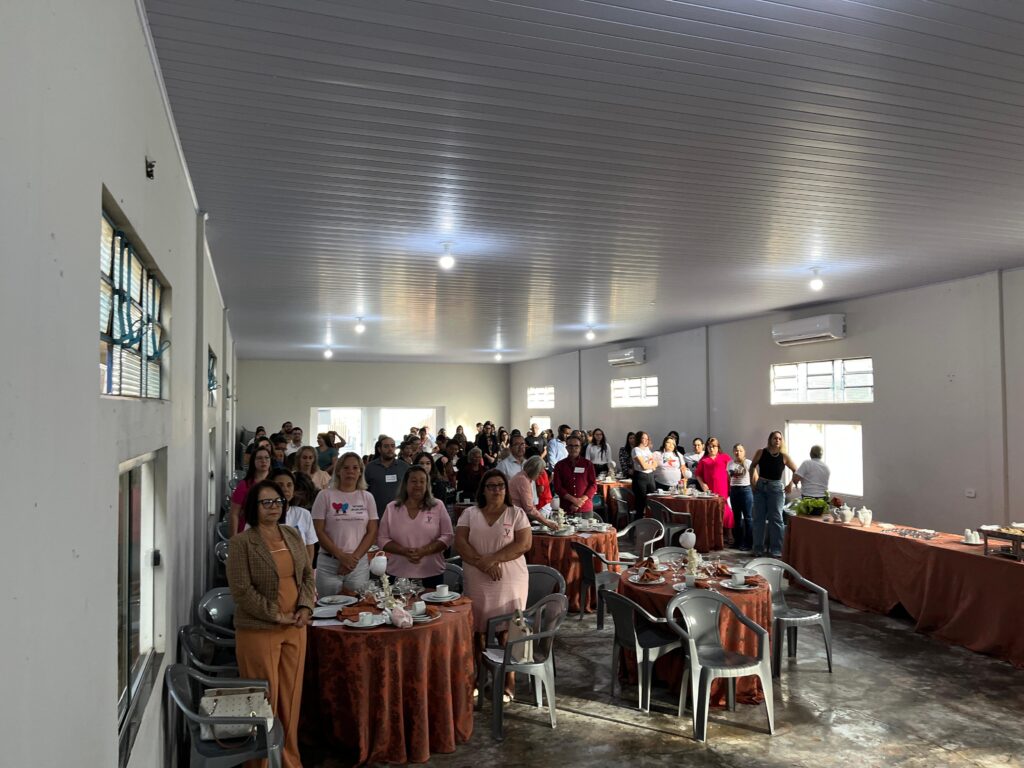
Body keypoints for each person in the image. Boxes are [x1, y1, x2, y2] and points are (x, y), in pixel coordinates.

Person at [227, 479, 315, 768]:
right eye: (266, 502)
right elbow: (241, 591)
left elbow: (306, 575)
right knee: (266, 700)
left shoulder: (291, 534)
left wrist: (305, 606)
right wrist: (276, 615)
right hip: (259, 629)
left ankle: (288, 760)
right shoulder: (241, 543)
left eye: (277, 502)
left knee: (290, 698)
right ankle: (261, 763)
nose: (273, 507)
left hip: (296, 627)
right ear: (253, 507)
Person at [455, 469, 532, 703]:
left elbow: (524, 544)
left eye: (500, 485)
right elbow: (460, 543)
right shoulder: (470, 513)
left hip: (510, 580)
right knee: (478, 630)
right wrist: (484, 563)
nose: (496, 490)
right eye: (491, 486)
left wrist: (492, 559)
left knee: (508, 630)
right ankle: (480, 678)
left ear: (506, 489)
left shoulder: (516, 513)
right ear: (483, 490)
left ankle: (509, 680)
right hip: (477, 579)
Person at [311, 452, 379, 595]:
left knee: (359, 606)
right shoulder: (324, 495)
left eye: (355, 468)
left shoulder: (368, 497)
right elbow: (318, 531)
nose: (350, 471)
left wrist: (352, 560)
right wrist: (342, 557)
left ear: (360, 472)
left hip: (358, 564)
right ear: (338, 471)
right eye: (346, 467)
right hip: (329, 564)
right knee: (328, 605)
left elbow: (372, 532)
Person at [377, 465, 453, 588]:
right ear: (405, 484)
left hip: (432, 572)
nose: (418, 485)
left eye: (422, 481)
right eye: (413, 481)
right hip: (398, 572)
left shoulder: (437, 506)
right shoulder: (391, 508)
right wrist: (404, 551)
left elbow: (448, 536)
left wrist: (425, 551)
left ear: (427, 485)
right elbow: (382, 539)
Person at [750, 431, 798, 558]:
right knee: (758, 519)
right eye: (775, 438)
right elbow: (752, 466)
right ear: (770, 439)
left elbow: (796, 470)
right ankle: (757, 549)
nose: (777, 440)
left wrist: (790, 484)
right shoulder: (761, 452)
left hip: (776, 489)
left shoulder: (784, 456)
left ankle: (776, 549)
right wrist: (752, 482)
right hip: (761, 487)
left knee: (776, 519)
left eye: (780, 439)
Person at [265, 468, 318, 564]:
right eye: (280, 485)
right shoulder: (260, 514)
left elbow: (309, 546)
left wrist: (307, 570)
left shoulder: (304, 514)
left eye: (289, 485)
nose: (285, 489)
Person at [695, 437, 735, 545]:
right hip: (711, 490)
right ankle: (716, 537)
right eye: (710, 447)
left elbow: (731, 471)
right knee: (713, 511)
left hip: (723, 488)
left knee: (726, 511)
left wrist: (732, 485)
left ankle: (729, 533)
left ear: (718, 447)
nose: (712, 449)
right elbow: (698, 474)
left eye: (714, 446)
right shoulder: (704, 460)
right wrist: (702, 484)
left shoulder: (725, 457)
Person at [363, 435, 409, 518]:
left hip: (401, 514)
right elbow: (364, 490)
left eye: (392, 446)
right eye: (386, 446)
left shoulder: (404, 467)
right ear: (379, 449)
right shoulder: (370, 467)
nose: (390, 449)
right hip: (376, 514)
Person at [509, 456, 560, 530]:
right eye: (539, 473)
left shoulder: (523, 477)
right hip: (515, 518)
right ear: (534, 470)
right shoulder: (523, 480)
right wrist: (547, 523)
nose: (540, 476)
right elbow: (529, 509)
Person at [229, 446, 272, 534]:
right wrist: (234, 538)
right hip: (247, 530)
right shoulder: (244, 485)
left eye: (267, 457)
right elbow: (234, 514)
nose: (263, 461)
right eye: (259, 458)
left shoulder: (276, 483)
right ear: (253, 461)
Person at [553, 434, 597, 516]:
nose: (573, 448)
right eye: (570, 446)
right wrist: (574, 500)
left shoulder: (588, 464)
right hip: (566, 508)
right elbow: (558, 487)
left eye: (576, 446)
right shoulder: (559, 465)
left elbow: (593, 485)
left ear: (580, 448)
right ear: (566, 448)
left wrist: (580, 502)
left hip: (585, 508)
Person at [727, 444, 753, 552]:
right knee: (736, 517)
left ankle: (748, 543)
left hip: (746, 490)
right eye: (736, 450)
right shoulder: (730, 463)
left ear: (744, 452)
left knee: (747, 518)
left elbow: (754, 477)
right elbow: (729, 478)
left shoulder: (748, 463)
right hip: (734, 491)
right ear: (733, 452)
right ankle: (738, 542)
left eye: (740, 450)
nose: (738, 452)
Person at [631, 431, 657, 517]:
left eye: (647, 438)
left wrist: (651, 465)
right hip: (640, 477)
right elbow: (644, 466)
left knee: (652, 499)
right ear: (639, 439)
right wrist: (652, 466)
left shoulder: (647, 449)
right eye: (643, 438)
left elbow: (655, 463)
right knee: (641, 503)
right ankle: (639, 522)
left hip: (650, 476)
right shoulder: (636, 450)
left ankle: (651, 521)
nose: (645, 440)